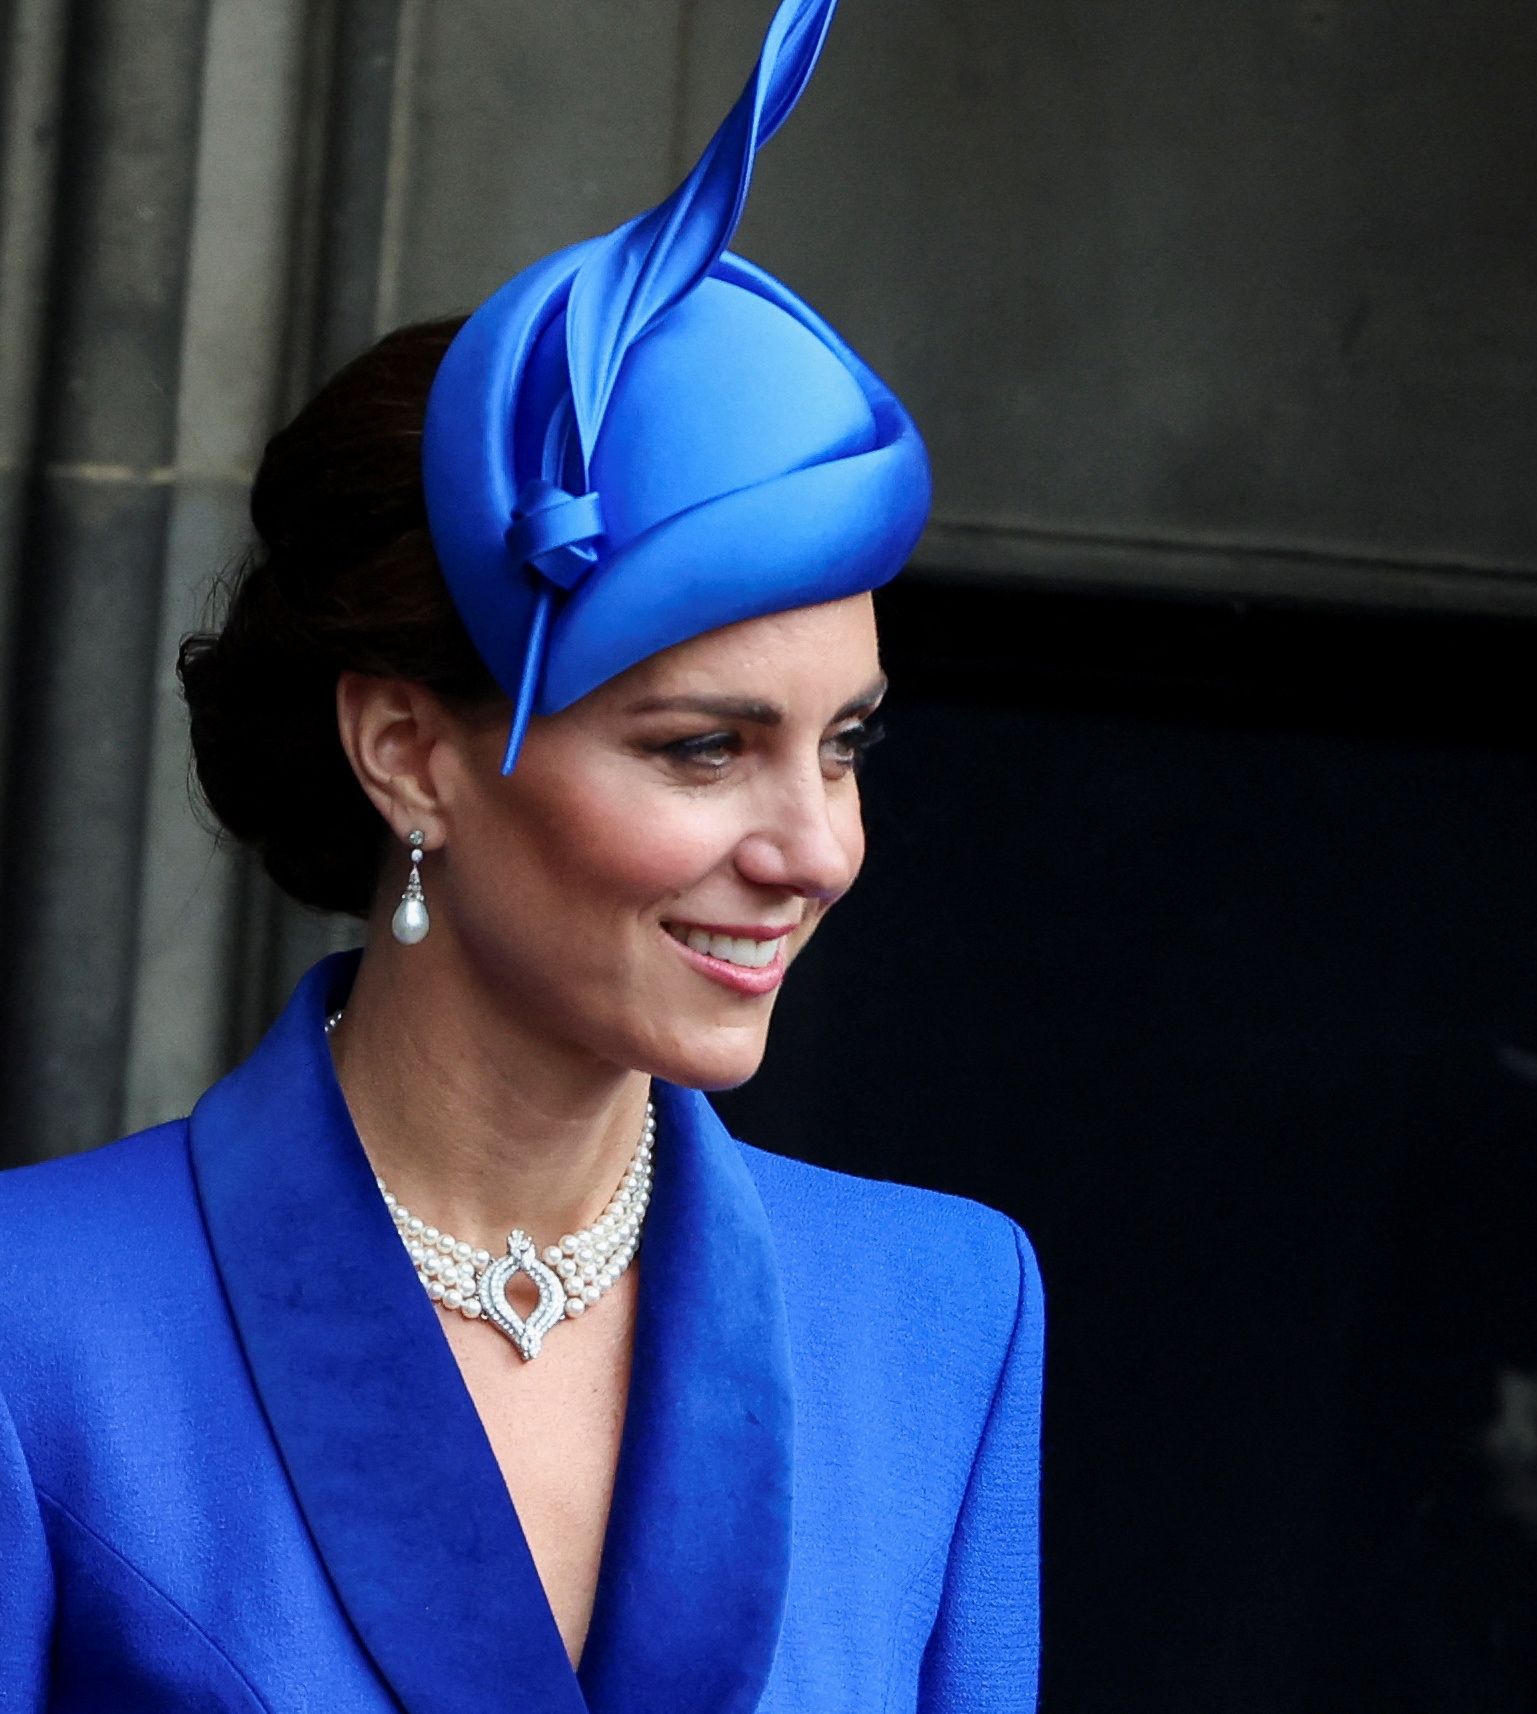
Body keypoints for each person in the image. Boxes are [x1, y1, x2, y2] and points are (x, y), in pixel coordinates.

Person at [0, 1, 1042, 1708]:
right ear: (412, 754)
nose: (816, 848)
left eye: (843, 744)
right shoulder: (40, 1327)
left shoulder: (940, 1315)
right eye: (705, 747)